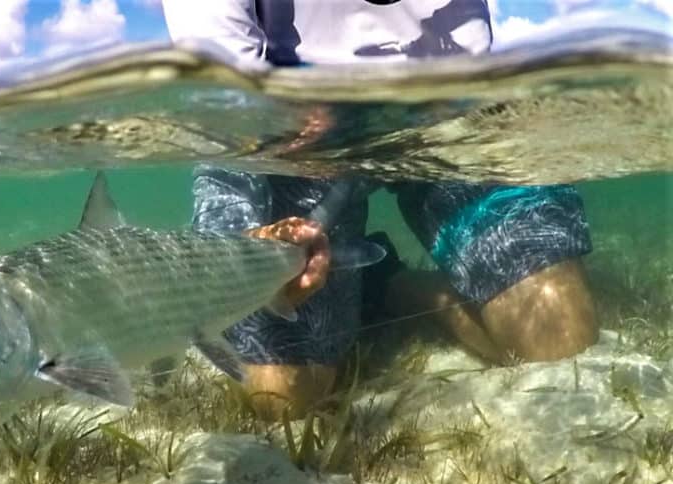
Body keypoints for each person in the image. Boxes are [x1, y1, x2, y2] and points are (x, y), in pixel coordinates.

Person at [161, 0, 599, 419]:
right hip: (300, 138)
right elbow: (223, 98)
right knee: (280, 398)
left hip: (451, 116)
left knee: (561, 345)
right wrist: (247, 253)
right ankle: (378, 284)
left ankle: (387, 284)